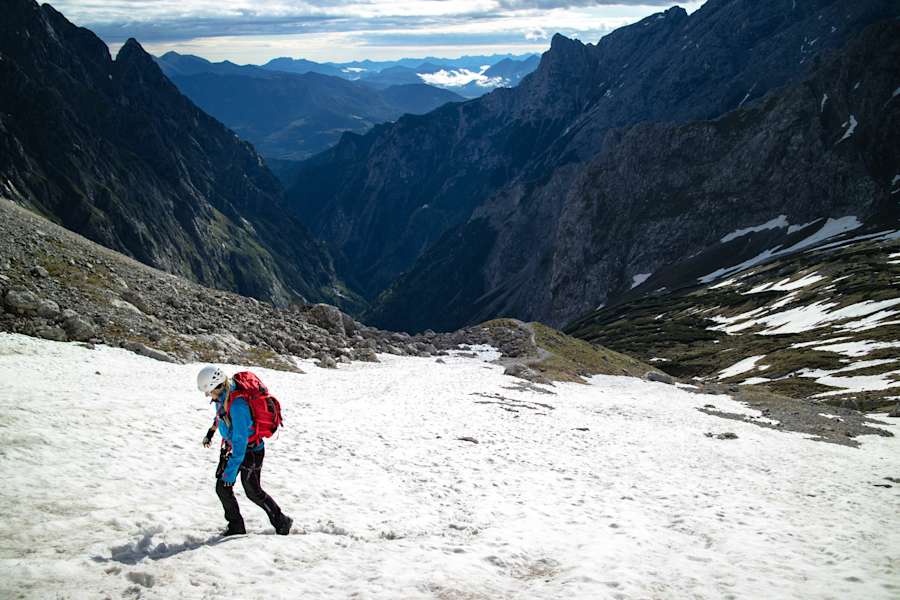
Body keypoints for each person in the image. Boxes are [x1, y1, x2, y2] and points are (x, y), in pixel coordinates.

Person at [197, 365, 293, 536]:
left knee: (253, 491)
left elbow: (240, 442)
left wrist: (230, 473)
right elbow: (221, 415)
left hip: (251, 452)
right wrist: (210, 432)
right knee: (222, 488)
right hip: (233, 449)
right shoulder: (223, 395)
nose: (207, 395)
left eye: (208, 391)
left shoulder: (238, 405)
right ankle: (236, 527)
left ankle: (282, 521)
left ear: (217, 386)